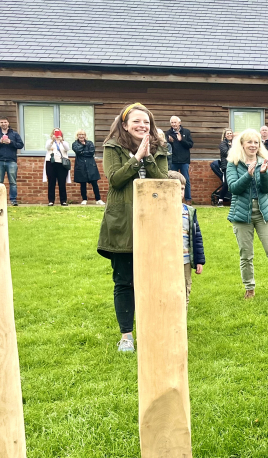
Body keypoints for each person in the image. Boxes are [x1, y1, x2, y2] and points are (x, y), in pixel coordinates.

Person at [98, 103, 168, 353]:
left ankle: (152, 330)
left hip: (154, 223)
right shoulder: (112, 147)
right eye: (137, 121)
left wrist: (147, 156)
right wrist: (136, 157)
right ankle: (127, 336)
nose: (142, 126)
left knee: (154, 280)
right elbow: (115, 179)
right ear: (125, 125)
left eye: (146, 122)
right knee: (124, 281)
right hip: (123, 223)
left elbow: (163, 181)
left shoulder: (160, 147)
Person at [225, 128, 268, 303]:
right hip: (241, 214)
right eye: (249, 142)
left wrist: (262, 174)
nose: (253, 145)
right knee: (246, 255)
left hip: (264, 213)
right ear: (242, 144)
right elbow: (233, 188)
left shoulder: (267, 161)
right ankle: (249, 289)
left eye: (256, 142)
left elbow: (267, 189)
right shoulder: (233, 163)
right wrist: (248, 175)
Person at [169, 171, 204, 307]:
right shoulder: (160, 210)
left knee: (184, 290)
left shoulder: (189, 211)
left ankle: (181, 325)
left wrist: (199, 260)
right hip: (168, 260)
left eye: (182, 189)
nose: (180, 192)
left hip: (185, 260)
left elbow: (196, 237)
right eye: (176, 188)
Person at [165, 116, 194, 204]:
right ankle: (171, 197)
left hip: (184, 161)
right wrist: (169, 142)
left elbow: (190, 145)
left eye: (175, 122)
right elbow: (165, 146)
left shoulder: (186, 132)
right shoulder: (168, 133)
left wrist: (182, 140)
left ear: (179, 123)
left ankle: (188, 200)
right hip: (173, 161)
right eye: (172, 123)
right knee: (172, 179)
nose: (173, 124)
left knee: (186, 180)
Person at [72, 130, 103, 206]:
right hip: (81, 165)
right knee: (83, 183)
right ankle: (84, 199)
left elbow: (91, 152)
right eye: (79, 134)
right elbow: (78, 151)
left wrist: (83, 151)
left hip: (90, 165)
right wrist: (83, 147)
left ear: (85, 135)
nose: (81, 136)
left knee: (94, 183)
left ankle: (98, 199)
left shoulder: (90, 143)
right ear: (77, 135)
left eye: (82, 134)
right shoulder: (75, 144)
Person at [0, 116, 24, 206]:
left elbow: (21, 145)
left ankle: (13, 200)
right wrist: (0, 142)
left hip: (11, 161)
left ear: (8, 123)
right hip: (0, 160)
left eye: (5, 122)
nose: (3, 124)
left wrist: (11, 142)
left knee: (12, 182)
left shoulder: (14, 134)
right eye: (1, 122)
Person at [45, 128, 71, 206]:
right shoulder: (49, 141)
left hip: (62, 163)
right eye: (55, 133)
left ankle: (63, 200)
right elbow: (47, 147)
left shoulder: (64, 142)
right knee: (51, 182)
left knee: (62, 182)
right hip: (51, 162)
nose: (57, 135)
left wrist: (61, 141)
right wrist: (53, 140)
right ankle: (51, 200)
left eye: (58, 133)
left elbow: (67, 148)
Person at [210, 128, 233, 207]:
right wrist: (231, 147)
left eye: (230, 133)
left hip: (234, 166)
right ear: (225, 136)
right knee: (226, 184)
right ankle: (220, 200)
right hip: (226, 166)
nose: (230, 135)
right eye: (228, 134)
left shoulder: (234, 143)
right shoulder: (223, 144)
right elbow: (226, 153)